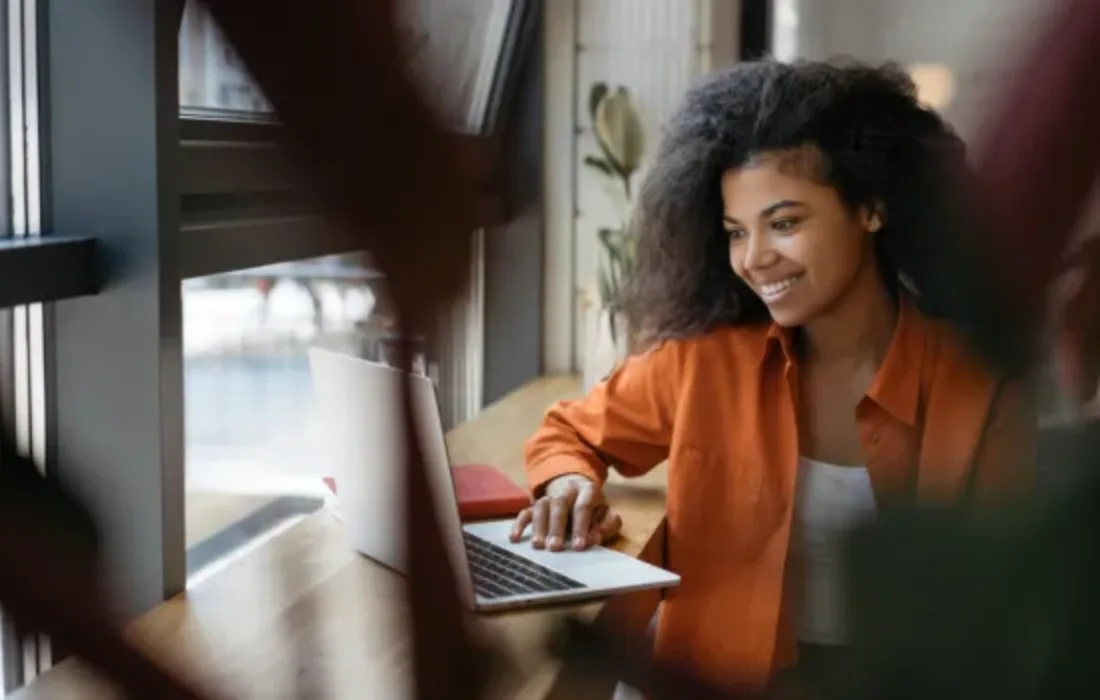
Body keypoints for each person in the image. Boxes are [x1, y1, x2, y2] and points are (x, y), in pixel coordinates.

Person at [510, 59, 1036, 692]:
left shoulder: (980, 386)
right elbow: (571, 433)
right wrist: (568, 484)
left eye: (785, 223)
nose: (754, 260)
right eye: (736, 232)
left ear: (870, 208)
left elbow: (1006, 609)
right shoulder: (704, 361)